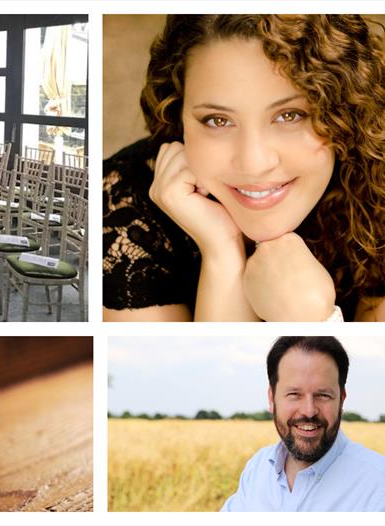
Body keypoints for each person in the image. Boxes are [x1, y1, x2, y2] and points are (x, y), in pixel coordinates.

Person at [103, 15, 385, 321]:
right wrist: (222, 253)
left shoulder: (377, 186)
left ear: (345, 109)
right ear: (178, 115)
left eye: (290, 115)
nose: (254, 163)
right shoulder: (125, 202)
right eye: (218, 120)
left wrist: (314, 320)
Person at [222, 337, 385, 511]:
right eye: (294, 394)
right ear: (272, 398)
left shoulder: (378, 484)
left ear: (341, 400)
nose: (309, 411)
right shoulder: (257, 468)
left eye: (323, 395)